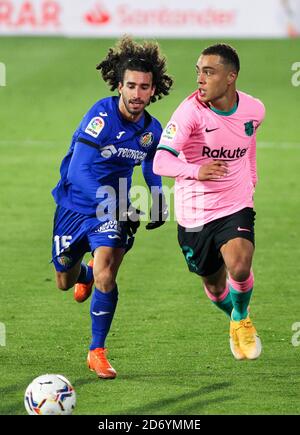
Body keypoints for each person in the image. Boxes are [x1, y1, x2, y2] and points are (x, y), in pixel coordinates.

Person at [51, 36, 172, 379]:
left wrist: (157, 196)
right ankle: (82, 274)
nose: (137, 94)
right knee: (64, 279)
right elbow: (78, 171)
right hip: (75, 204)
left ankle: (96, 350)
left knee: (107, 273)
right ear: (120, 86)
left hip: (111, 209)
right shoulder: (101, 117)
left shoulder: (151, 130)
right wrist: (115, 202)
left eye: (144, 87)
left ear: (153, 91)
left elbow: (150, 163)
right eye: (131, 85)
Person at [153, 43, 265, 361]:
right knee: (216, 288)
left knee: (240, 265)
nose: (200, 79)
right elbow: (160, 162)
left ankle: (241, 318)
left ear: (231, 77)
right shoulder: (189, 113)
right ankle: (235, 317)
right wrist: (196, 171)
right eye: (198, 71)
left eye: (209, 72)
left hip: (235, 202)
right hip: (195, 213)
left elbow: (248, 141)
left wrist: (252, 178)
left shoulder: (255, 109)